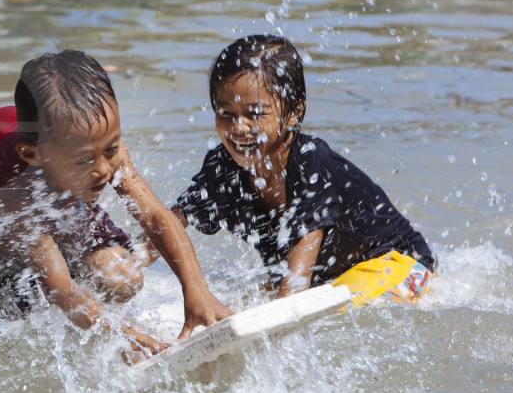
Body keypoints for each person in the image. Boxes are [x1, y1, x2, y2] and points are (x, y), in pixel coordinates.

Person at [0, 50, 231, 361]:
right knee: (1, 329)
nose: (103, 169)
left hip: (60, 183)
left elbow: (155, 215)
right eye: (87, 159)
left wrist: (197, 289)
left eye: (111, 149)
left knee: (120, 280)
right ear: (32, 155)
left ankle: (93, 310)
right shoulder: (8, 189)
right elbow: (58, 285)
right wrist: (128, 335)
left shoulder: (93, 145)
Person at [173, 34, 435, 306]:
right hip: (328, 278)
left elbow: (295, 285)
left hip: (399, 264)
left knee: (334, 318)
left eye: (254, 114)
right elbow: (171, 222)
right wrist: (133, 262)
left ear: (294, 112)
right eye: (225, 113)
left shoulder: (310, 164)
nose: (238, 127)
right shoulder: (222, 167)